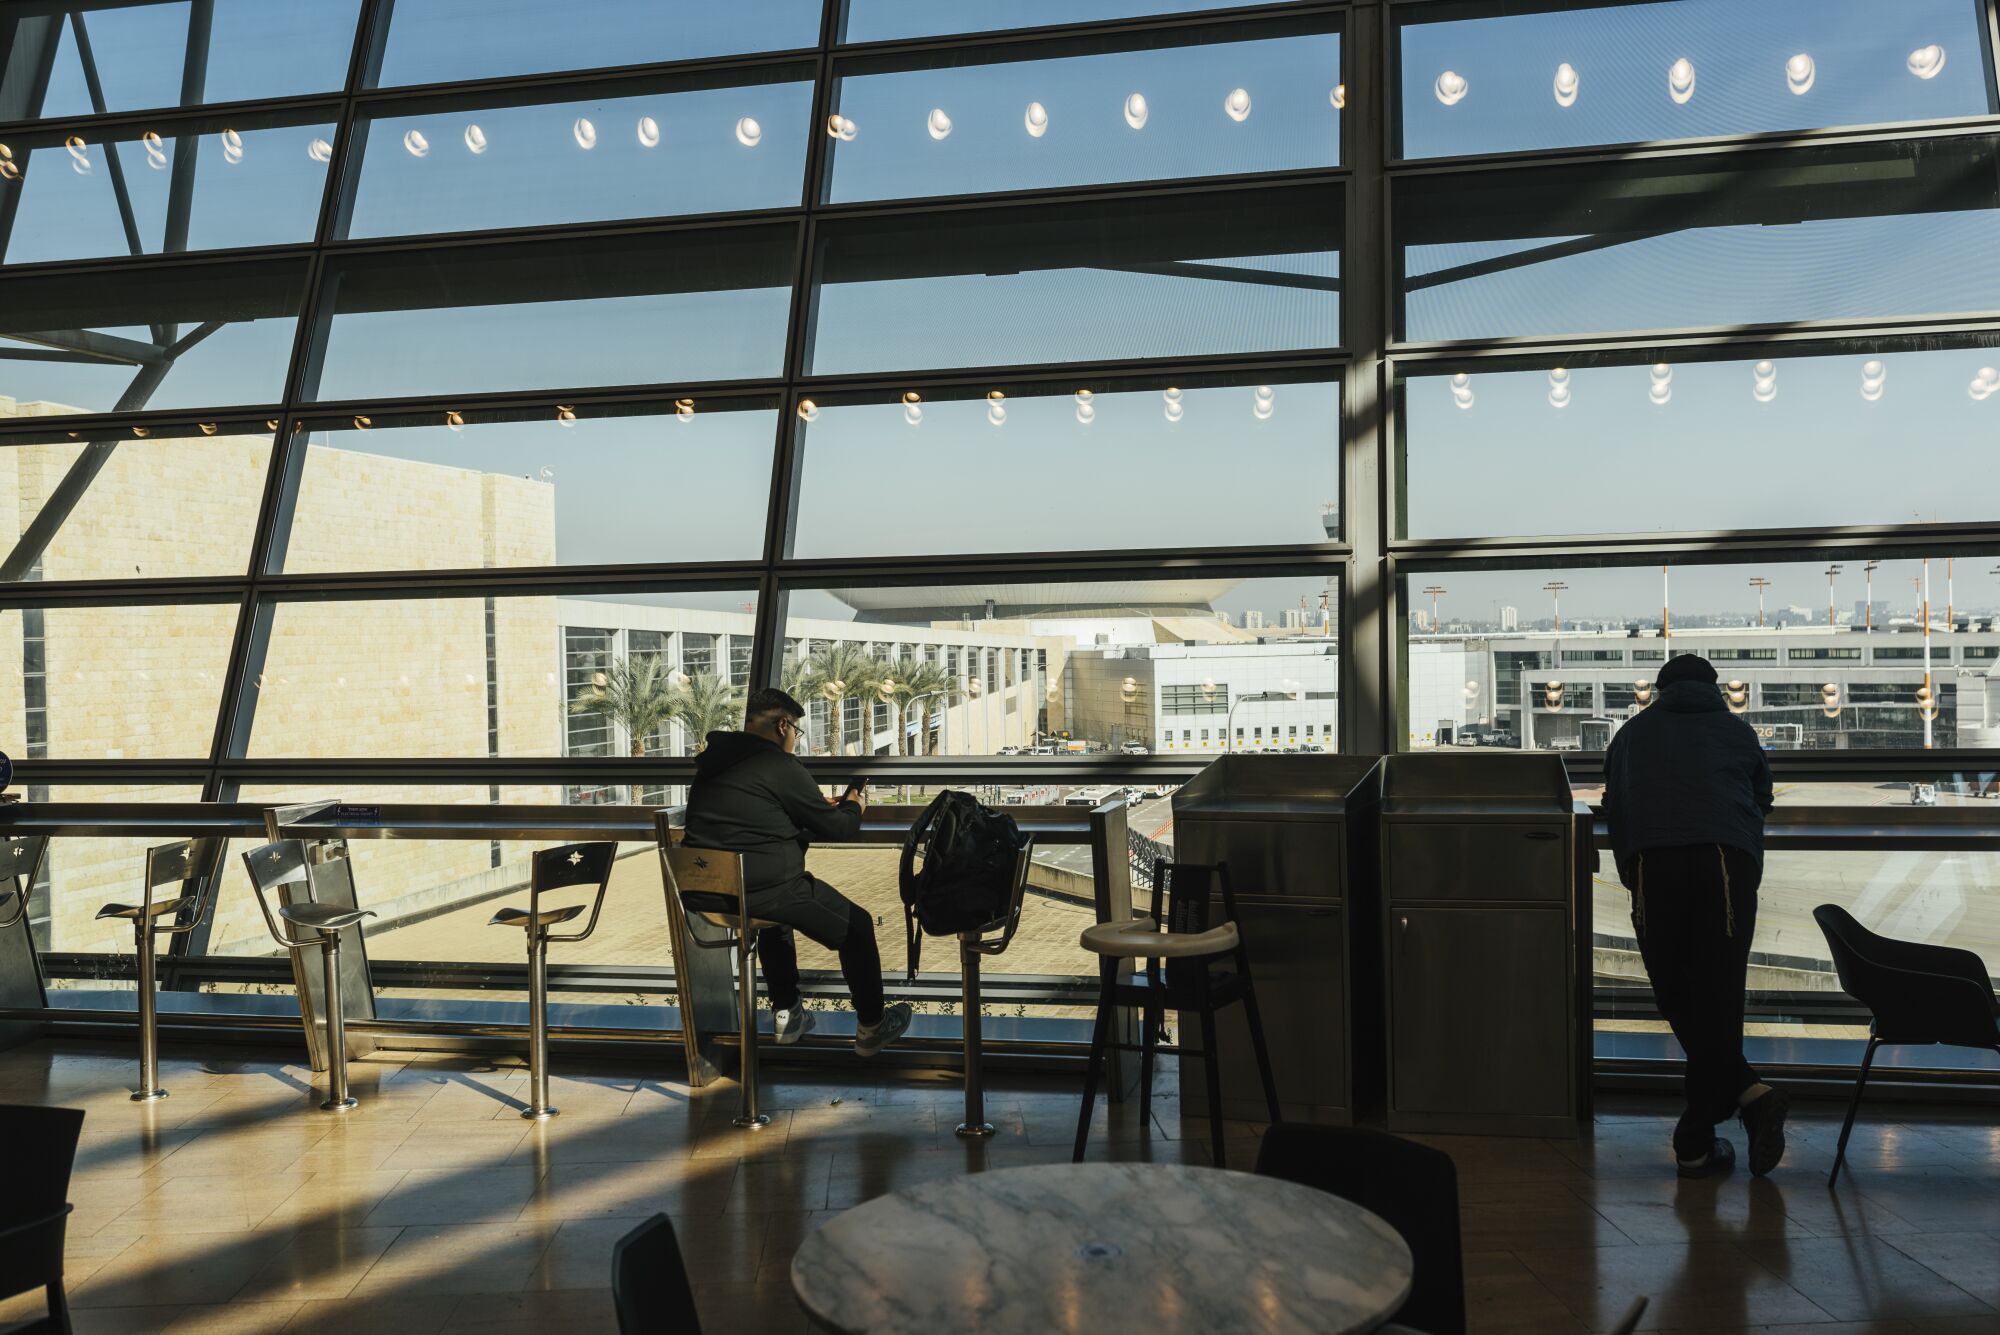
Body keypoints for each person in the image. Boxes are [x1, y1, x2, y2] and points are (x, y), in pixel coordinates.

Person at [1603, 652, 1786, 1178]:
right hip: (1726, 866)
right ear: (1712, 689)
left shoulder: (1633, 735)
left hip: (1654, 867)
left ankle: (1701, 1135)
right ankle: (1730, 1109)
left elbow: (1615, 801)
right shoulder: (1738, 730)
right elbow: (1763, 796)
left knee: (1675, 990)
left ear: (1661, 689)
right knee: (1720, 992)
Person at [683, 687, 913, 1056]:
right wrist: (855, 805)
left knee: (776, 920)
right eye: (796, 733)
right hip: (761, 889)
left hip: (704, 890)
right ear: (782, 725)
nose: (795, 740)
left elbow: (750, 812)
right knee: (857, 925)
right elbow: (838, 828)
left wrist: (805, 804)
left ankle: (787, 1012)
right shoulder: (778, 764)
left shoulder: (715, 760)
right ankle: (872, 1026)